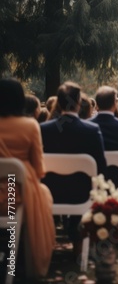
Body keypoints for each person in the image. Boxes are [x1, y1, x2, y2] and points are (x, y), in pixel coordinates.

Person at [40, 81, 107, 256]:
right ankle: (79, 242)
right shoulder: (92, 130)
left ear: (59, 103)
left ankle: (47, 242)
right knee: (87, 183)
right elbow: (101, 167)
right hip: (82, 195)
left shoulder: (43, 129)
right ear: (78, 102)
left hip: (48, 193)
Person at [0, 78, 55, 279]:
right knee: (44, 194)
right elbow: (39, 170)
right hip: (16, 196)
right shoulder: (30, 126)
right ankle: (19, 259)